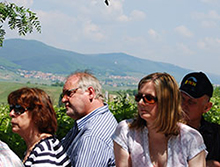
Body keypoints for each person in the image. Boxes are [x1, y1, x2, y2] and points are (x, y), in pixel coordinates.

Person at [112, 72, 206, 167]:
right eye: (139, 97)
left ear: (166, 103)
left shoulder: (190, 139)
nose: (140, 102)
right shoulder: (126, 131)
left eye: (148, 98)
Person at [61, 71, 118, 166]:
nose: (63, 99)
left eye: (69, 93)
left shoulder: (92, 137)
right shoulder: (94, 120)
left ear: (90, 93)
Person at [8, 87, 72, 167]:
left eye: (18, 109)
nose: (11, 113)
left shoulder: (45, 152)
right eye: (11, 108)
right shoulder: (37, 148)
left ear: (37, 114)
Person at [180, 71, 220, 167]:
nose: (183, 105)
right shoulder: (161, 130)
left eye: (191, 102)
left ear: (207, 107)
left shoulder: (217, 136)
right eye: (181, 99)